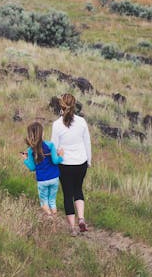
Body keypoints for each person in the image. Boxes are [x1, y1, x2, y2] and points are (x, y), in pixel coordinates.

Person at [51, 93, 91, 236]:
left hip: (65, 164)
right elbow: (87, 142)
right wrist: (89, 160)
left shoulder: (56, 125)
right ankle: (81, 218)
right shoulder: (82, 122)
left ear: (61, 106)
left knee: (68, 194)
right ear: (74, 106)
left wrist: (53, 162)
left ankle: (72, 228)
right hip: (81, 162)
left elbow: (54, 147)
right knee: (78, 190)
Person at [22, 121, 64, 218]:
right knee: (52, 200)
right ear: (42, 133)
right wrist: (61, 156)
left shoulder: (30, 150)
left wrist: (25, 160)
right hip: (54, 178)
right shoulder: (50, 145)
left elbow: (32, 168)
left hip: (42, 180)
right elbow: (55, 161)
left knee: (43, 202)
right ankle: (54, 220)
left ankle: (50, 216)